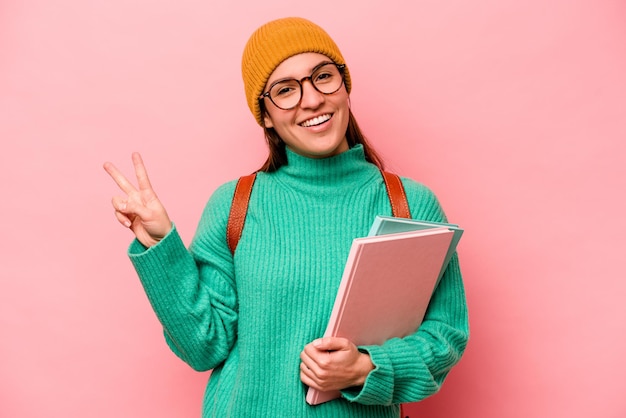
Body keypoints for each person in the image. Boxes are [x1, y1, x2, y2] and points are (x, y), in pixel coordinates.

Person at [104, 17, 469, 418]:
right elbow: (202, 345)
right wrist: (160, 246)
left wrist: (364, 367)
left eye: (323, 77)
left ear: (344, 85)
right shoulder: (234, 205)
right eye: (285, 90)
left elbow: (444, 336)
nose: (311, 100)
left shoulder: (411, 204)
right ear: (265, 115)